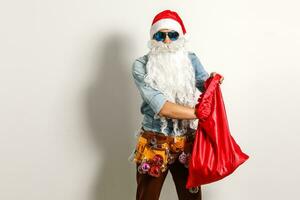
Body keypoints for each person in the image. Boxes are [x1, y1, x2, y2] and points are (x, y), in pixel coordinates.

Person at [129, 10, 224, 200]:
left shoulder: (190, 60)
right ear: (152, 38)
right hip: (154, 141)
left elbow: (205, 86)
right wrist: (198, 112)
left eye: (172, 35)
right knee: (147, 197)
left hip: (187, 142)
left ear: (180, 37)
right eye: (160, 35)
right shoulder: (140, 65)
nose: (166, 41)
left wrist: (212, 82)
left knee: (191, 199)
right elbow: (162, 107)